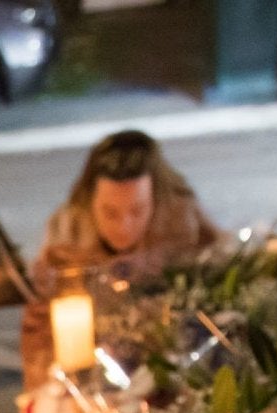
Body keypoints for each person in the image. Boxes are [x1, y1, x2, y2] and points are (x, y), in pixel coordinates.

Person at [21, 129, 221, 387]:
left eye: (137, 211)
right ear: (90, 202)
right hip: (92, 376)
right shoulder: (66, 239)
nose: (124, 227)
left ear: (156, 199)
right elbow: (40, 333)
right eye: (110, 213)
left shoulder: (185, 231)